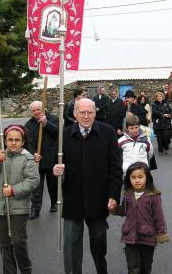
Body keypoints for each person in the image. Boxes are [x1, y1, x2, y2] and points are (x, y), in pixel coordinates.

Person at [53, 98, 123, 274]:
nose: (86, 116)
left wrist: (113, 195)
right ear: (74, 114)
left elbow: (115, 168)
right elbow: (57, 162)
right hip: (72, 197)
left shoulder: (107, 133)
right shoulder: (65, 135)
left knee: (98, 241)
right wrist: (57, 169)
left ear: (95, 113)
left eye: (90, 112)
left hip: (98, 198)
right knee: (71, 243)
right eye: (82, 112)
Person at [0, 125, 40, 274]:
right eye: (10, 140)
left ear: (22, 142)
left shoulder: (27, 158)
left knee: (17, 241)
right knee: (4, 244)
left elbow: (33, 180)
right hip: (0, 206)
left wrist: (14, 190)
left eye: (17, 140)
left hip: (18, 207)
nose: (13, 143)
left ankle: (26, 270)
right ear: (5, 141)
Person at [113, 162, 169, 274]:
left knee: (145, 268)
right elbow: (124, 211)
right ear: (128, 179)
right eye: (133, 177)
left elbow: (159, 217)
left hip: (147, 237)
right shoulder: (128, 194)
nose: (137, 180)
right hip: (130, 236)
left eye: (140, 177)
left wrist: (161, 233)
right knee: (133, 268)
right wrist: (114, 208)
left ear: (146, 177)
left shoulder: (153, 196)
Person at [25, 101, 59, 219]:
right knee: (36, 187)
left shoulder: (54, 119)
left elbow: (59, 133)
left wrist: (46, 123)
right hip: (37, 160)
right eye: (33, 111)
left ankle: (54, 203)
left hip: (52, 158)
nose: (36, 113)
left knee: (53, 184)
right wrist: (33, 153)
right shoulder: (28, 124)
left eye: (38, 110)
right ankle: (35, 209)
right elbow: (28, 143)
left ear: (43, 108)